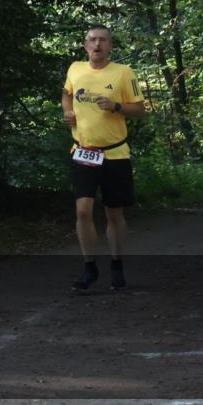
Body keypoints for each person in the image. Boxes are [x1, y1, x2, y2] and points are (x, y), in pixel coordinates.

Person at [61, 24, 145, 291]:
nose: (97, 44)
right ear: (85, 45)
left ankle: (117, 265)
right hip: (83, 151)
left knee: (114, 214)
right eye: (92, 40)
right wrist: (68, 113)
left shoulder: (123, 73)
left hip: (115, 154)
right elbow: (67, 94)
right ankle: (89, 268)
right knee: (82, 211)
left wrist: (116, 106)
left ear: (110, 46)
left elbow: (140, 110)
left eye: (103, 40)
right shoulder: (75, 68)